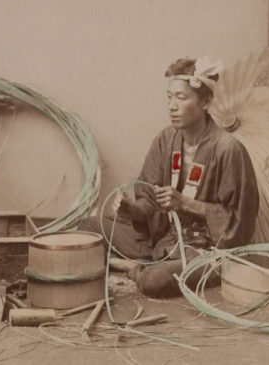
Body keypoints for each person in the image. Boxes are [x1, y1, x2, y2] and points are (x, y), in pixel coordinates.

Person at [81, 57, 259, 297]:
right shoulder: (165, 140)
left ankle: (132, 267)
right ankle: (145, 263)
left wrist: (185, 203)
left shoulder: (228, 150)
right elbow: (149, 200)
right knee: (88, 228)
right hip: (163, 237)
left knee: (154, 281)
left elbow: (240, 223)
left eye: (181, 98)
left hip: (205, 249)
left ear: (205, 102)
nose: (172, 106)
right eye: (169, 97)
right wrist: (132, 210)